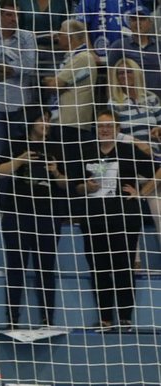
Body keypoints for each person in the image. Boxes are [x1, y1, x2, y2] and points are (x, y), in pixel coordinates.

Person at [74, 110, 157, 329]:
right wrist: (86, 187)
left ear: (117, 129)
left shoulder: (128, 151)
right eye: (101, 126)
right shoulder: (86, 151)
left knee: (123, 267)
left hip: (123, 219)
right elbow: (74, 184)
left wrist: (142, 192)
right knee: (98, 268)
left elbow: (158, 170)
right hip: (93, 219)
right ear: (96, 129)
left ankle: (125, 317)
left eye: (110, 126)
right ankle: (105, 318)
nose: (105, 129)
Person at [0, 114, 69, 327]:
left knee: (45, 268)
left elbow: (67, 184)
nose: (46, 124)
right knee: (16, 267)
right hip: (17, 213)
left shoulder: (57, 147)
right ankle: (12, 319)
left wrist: (55, 172)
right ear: (31, 122)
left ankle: (47, 319)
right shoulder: (16, 143)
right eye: (41, 119)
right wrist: (21, 160)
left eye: (49, 120)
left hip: (48, 214)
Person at [0, 5, 39, 158]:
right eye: (9, 15)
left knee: (20, 153)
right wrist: (12, 70)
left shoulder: (27, 37)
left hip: (20, 104)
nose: (13, 19)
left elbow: (29, 66)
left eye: (16, 15)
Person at [46, 19, 100, 172]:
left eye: (61, 34)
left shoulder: (82, 57)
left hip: (72, 122)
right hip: (65, 120)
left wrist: (47, 80)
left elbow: (54, 85)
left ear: (70, 37)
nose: (57, 37)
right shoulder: (73, 57)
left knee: (70, 168)